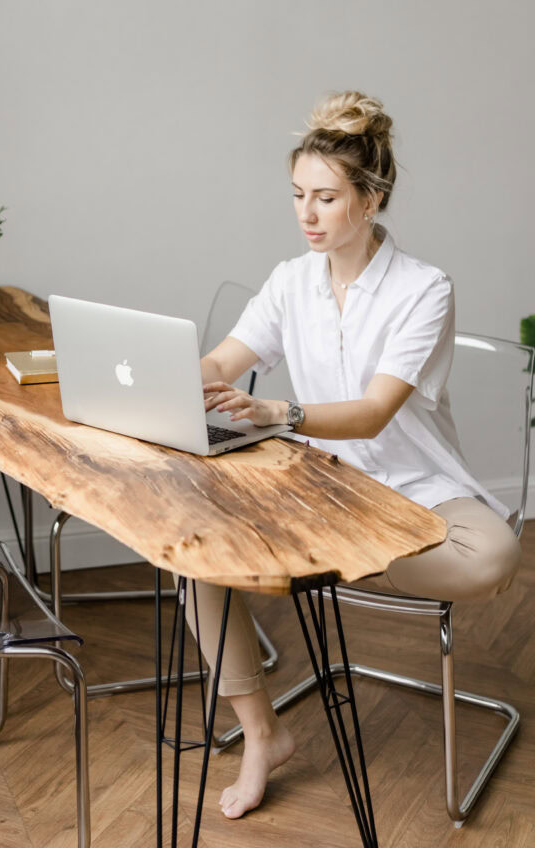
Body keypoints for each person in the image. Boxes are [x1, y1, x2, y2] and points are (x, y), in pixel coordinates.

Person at [192, 90, 521, 821]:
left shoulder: (423, 290)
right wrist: (170, 373)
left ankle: (312, 555)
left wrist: (280, 411)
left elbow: (375, 410)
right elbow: (223, 359)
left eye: (326, 198)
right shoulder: (289, 281)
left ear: (371, 200)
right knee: (194, 557)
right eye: (298, 196)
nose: (307, 214)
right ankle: (261, 735)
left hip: (413, 489)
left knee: (491, 556)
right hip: (318, 485)